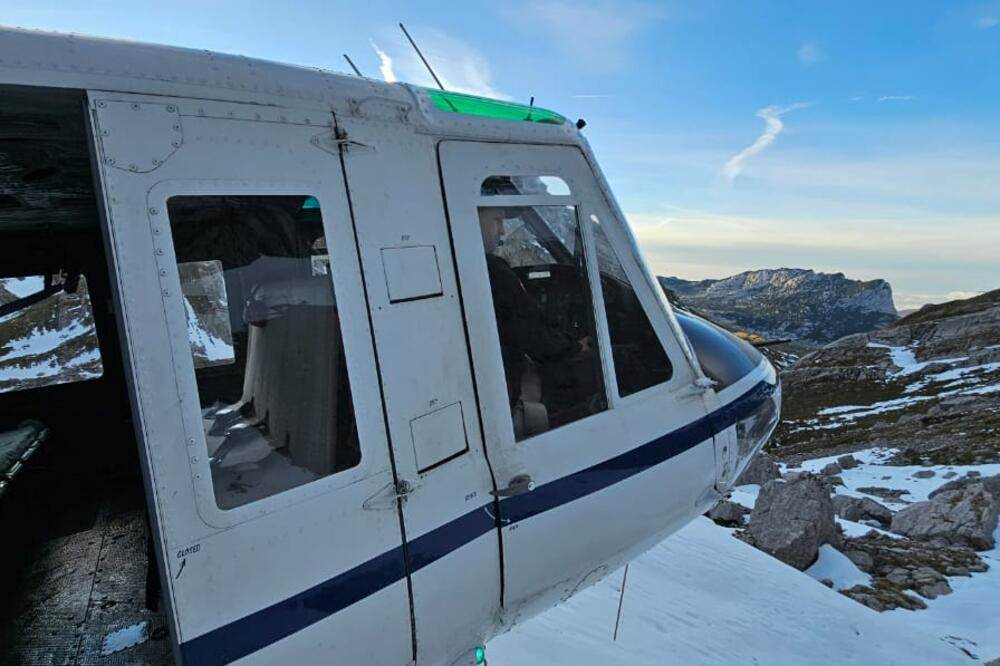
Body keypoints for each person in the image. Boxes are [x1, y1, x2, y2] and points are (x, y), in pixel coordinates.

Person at [478, 207, 592, 423]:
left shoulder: (463, 263)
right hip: (500, 401)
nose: (502, 231)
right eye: (497, 220)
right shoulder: (493, 270)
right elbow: (537, 340)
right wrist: (577, 346)